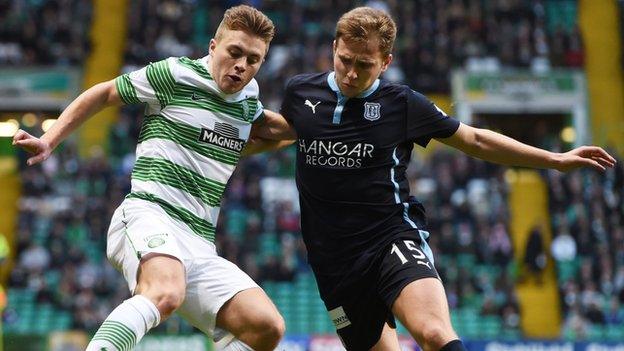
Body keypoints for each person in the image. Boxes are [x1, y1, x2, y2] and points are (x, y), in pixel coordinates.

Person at [248, 6, 617, 351]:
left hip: (389, 237)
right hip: (332, 259)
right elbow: (279, 136)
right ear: (334, 48)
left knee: (435, 333)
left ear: (386, 63)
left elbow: (473, 138)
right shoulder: (301, 91)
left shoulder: (403, 103)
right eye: (345, 60)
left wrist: (553, 160)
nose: (351, 73)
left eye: (365, 65)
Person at [13, 5, 285, 351]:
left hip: (200, 241)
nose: (242, 65)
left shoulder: (248, 101)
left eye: (253, 59)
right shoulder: (175, 74)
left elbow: (278, 131)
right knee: (166, 291)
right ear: (214, 46)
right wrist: (49, 140)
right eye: (235, 52)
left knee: (266, 327)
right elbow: (105, 92)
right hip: (149, 213)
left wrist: (328, 125)